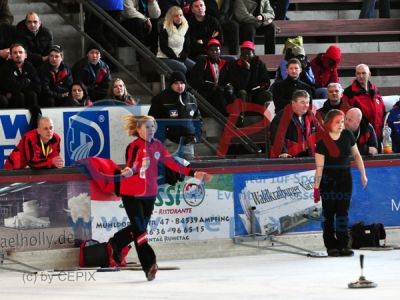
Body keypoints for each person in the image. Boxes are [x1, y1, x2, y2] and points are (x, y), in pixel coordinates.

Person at [108, 115, 211, 281]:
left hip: (149, 193)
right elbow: (133, 164)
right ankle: (150, 264)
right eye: (147, 127)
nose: (150, 130)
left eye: (152, 126)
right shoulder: (133, 146)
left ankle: (117, 242)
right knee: (141, 230)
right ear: (139, 129)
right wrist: (129, 171)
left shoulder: (157, 145)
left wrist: (193, 173)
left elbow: (171, 163)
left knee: (139, 228)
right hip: (131, 193)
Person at [314, 109, 368, 257]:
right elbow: (319, 168)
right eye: (337, 122)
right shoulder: (322, 142)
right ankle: (331, 245)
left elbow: (356, 155)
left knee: (343, 212)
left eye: (343, 122)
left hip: (345, 179)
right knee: (329, 213)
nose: (341, 125)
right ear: (329, 123)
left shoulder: (347, 135)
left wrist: (363, 174)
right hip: (328, 181)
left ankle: (343, 244)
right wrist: (316, 188)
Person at [148, 71, 202, 159]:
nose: (180, 86)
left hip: (188, 143)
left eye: (182, 83)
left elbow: (198, 119)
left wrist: (196, 136)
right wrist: (161, 138)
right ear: (171, 84)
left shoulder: (191, 98)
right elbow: (151, 120)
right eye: (176, 83)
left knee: (188, 171)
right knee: (171, 171)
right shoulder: (160, 98)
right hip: (170, 143)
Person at [188, 38, 233, 116]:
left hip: (220, 92)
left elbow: (229, 80)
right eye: (212, 50)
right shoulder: (202, 61)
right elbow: (196, 81)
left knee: (232, 93)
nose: (214, 52)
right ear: (207, 51)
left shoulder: (225, 63)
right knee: (219, 93)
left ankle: (238, 116)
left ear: (220, 51)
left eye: (217, 50)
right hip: (205, 93)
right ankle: (227, 116)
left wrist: (229, 86)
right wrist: (212, 86)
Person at [342, 64, 385, 142]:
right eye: (358, 73)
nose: (361, 76)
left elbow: (382, 110)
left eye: (363, 73)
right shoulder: (348, 93)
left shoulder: (375, 90)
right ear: (355, 75)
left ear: (369, 74)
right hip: (361, 138)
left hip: (379, 134)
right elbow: (347, 117)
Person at [269, 90, 316, 158]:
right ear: (293, 103)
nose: (306, 105)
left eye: (307, 102)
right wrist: (283, 151)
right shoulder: (282, 116)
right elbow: (277, 136)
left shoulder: (310, 115)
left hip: (307, 154)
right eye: (302, 102)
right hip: (288, 154)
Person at [226, 40, 271, 106]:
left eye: (248, 53)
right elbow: (238, 86)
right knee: (242, 92)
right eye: (243, 53)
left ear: (253, 53)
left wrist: (256, 90)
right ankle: (241, 115)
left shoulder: (260, 64)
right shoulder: (234, 64)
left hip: (255, 93)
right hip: (240, 92)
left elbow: (266, 82)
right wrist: (246, 70)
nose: (246, 56)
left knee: (267, 94)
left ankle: (266, 115)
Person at [0, 43, 41, 109]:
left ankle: (35, 117)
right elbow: (10, 88)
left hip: (25, 95)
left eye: (20, 52)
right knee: (20, 95)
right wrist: (27, 81)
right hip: (13, 98)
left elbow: (38, 87)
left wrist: (20, 85)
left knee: (32, 94)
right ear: (11, 56)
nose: (18, 55)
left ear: (25, 55)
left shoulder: (30, 66)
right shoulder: (6, 68)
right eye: (15, 53)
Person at [156, 6, 195, 74]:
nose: (179, 17)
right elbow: (164, 47)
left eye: (180, 15)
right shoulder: (164, 27)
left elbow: (187, 46)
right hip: (165, 57)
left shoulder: (185, 26)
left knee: (195, 67)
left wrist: (182, 58)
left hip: (179, 57)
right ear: (171, 17)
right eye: (176, 16)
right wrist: (176, 58)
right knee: (182, 67)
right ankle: (181, 84)